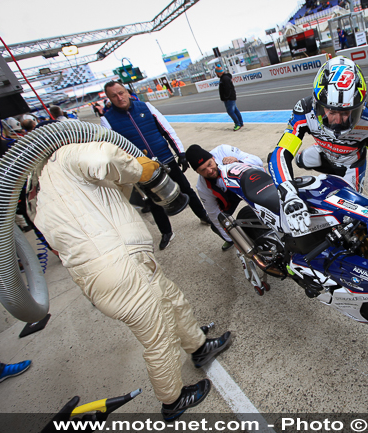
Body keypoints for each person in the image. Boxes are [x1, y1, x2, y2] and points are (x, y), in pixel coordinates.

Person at [30, 141, 232, 420]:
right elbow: (104, 156)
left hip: (118, 265)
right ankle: (172, 401)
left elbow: (112, 198)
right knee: (159, 337)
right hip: (118, 265)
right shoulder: (65, 157)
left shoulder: (45, 194)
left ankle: (199, 346)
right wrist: (140, 168)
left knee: (172, 300)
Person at [268, 57, 368, 234]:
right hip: (323, 154)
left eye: (346, 113)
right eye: (332, 111)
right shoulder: (304, 110)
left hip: (351, 165)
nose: (338, 120)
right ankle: (307, 159)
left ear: (360, 106)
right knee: (298, 159)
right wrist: (288, 193)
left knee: (348, 219)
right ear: (317, 103)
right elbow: (281, 152)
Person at [101, 81, 211, 250]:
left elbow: (167, 130)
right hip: (142, 170)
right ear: (109, 99)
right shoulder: (107, 120)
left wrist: (180, 153)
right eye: (114, 96)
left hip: (166, 159)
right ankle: (166, 232)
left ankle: (203, 216)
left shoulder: (146, 107)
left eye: (121, 92)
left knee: (186, 189)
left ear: (127, 92)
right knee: (154, 203)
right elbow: (114, 151)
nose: (119, 97)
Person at [185, 144, 263, 250]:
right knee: (216, 224)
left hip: (246, 185)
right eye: (203, 170)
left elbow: (258, 161)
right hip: (227, 198)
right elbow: (214, 214)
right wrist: (233, 239)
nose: (209, 170)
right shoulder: (202, 187)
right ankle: (230, 241)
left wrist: (238, 162)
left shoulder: (223, 150)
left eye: (210, 164)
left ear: (213, 158)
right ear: (197, 172)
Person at [215, 64, 244, 131]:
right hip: (230, 97)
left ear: (218, 72)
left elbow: (228, 89)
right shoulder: (224, 78)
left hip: (229, 98)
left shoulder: (225, 79)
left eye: (216, 73)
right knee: (235, 110)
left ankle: (238, 124)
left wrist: (226, 97)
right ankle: (240, 123)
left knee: (230, 111)